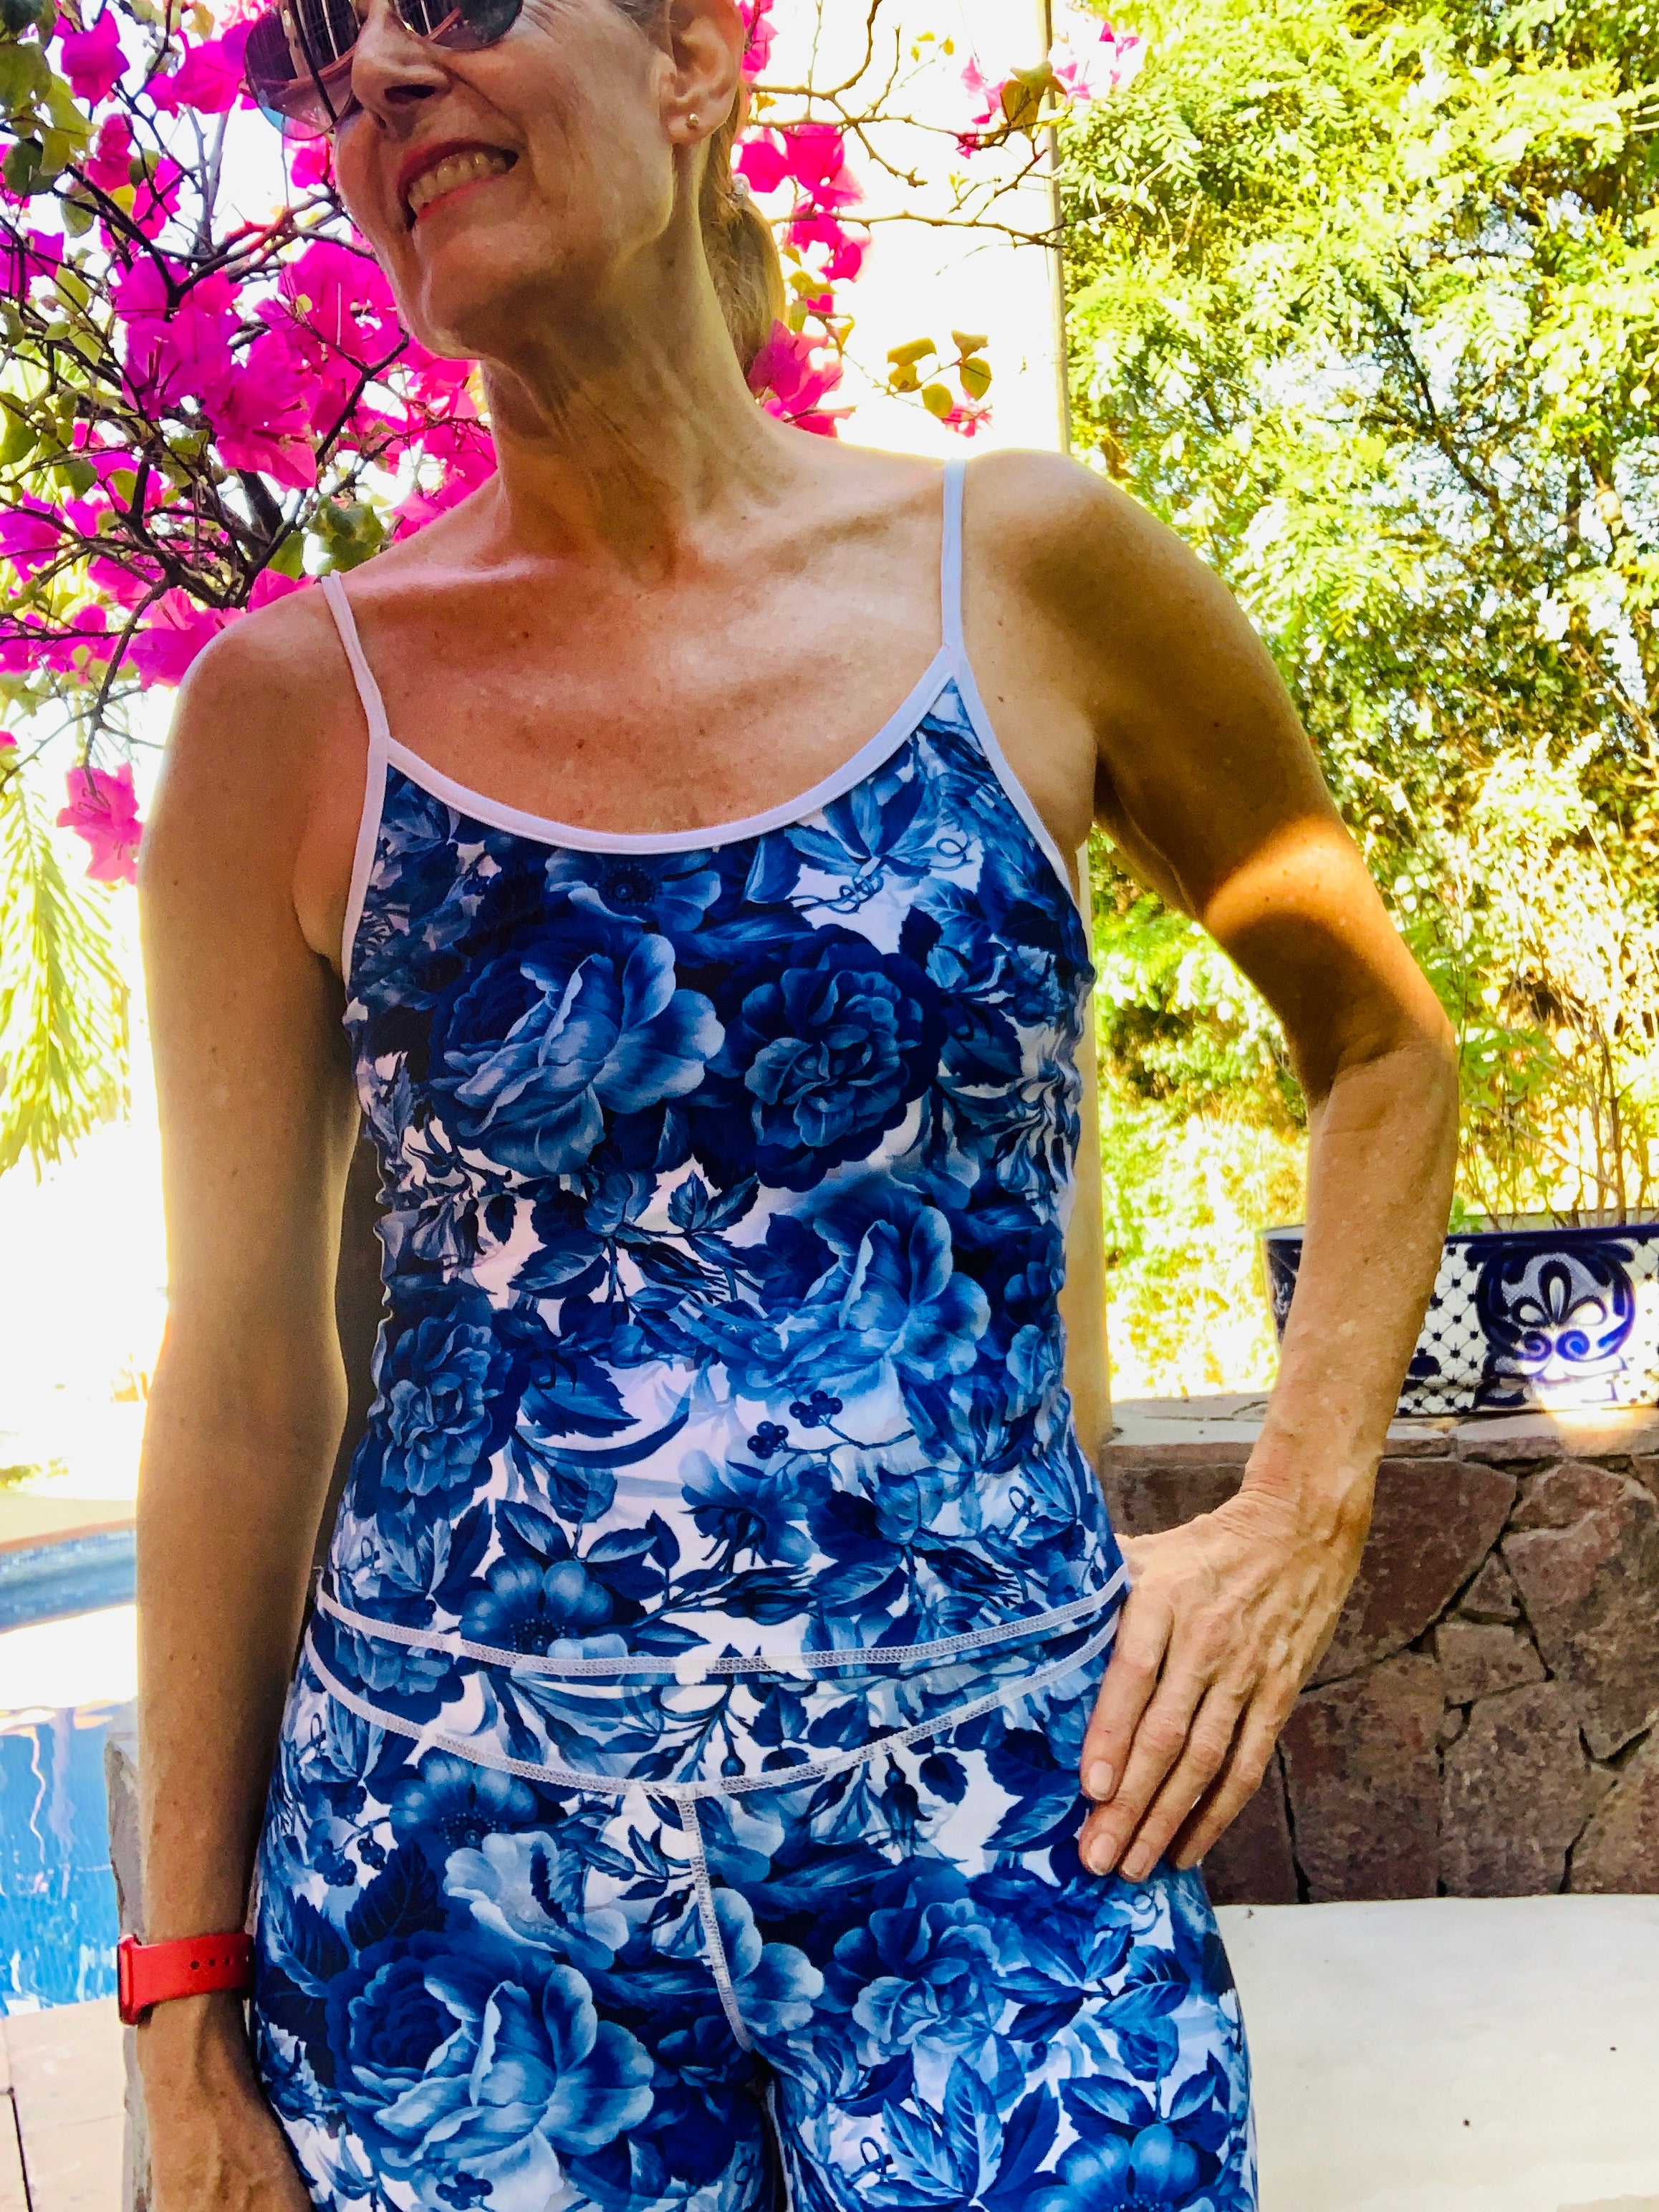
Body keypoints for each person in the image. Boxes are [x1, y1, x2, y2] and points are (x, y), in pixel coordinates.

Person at [131, 0, 1458, 2204]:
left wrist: (1296, 1514)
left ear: (688, 62)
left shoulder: (1024, 573)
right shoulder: (290, 710)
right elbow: (247, 1372)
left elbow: (1383, 1047)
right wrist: (184, 2019)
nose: (377, 74)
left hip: (1008, 1849)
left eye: (452, 1)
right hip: (461, 1915)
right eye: (322, 44)